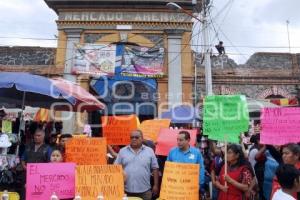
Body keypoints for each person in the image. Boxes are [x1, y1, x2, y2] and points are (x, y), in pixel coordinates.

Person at [114, 130, 159, 200]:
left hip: (145, 191)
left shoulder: (149, 151)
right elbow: (116, 168)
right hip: (126, 191)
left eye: (136, 137)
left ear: (142, 138)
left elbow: (155, 168)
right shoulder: (122, 151)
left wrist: (156, 185)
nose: (134, 139)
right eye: (132, 137)